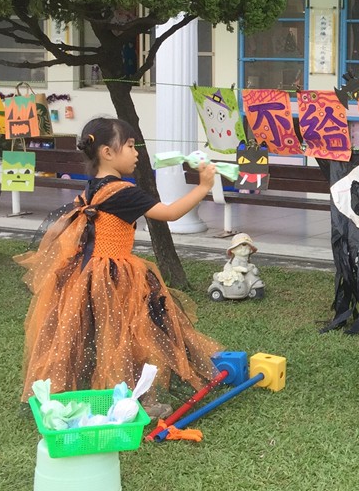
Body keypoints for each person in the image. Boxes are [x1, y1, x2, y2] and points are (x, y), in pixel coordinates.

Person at [17, 117, 223, 416]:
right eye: (129, 146)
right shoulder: (123, 192)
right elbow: (169, 213)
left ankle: (68, 394)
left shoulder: (92, 189)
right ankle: (137, 401)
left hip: (84, 275)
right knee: (131, 338)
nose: (136, 153)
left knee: (82, 337)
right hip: (115, 278)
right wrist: (203, 186)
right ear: (107, 152)